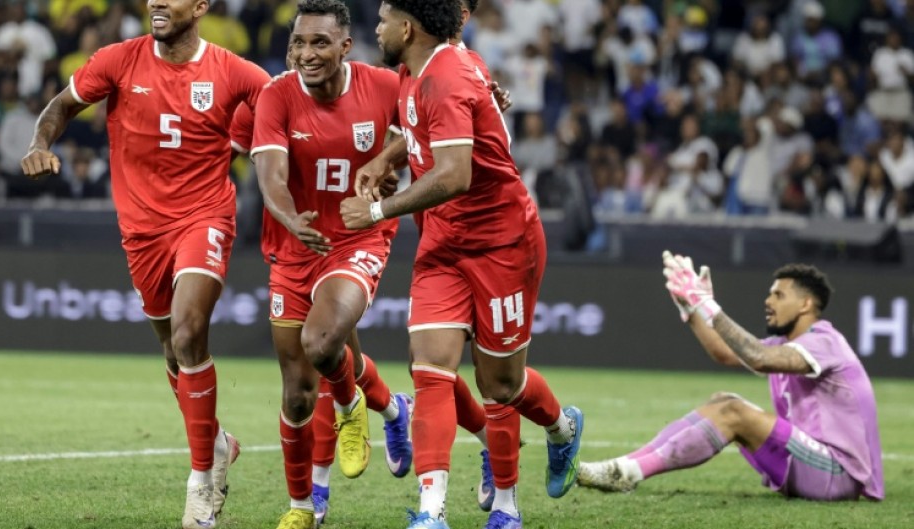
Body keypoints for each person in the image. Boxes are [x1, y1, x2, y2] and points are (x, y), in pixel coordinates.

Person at [19, 0, 271, 526]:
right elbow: (60, 106)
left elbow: (288, 107)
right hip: (142, 231)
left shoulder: (235, 71)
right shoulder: (117, 60)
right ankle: (217, 444)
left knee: (188, 331)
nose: (156, 1)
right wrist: (39, 142)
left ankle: (200, 481)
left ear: (200, 7)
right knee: (174, 352)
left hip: (205, 215)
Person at [341, 2, 584, 528]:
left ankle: (559, 433)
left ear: (408, 28)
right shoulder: (419, 68)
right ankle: (432, 513)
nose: (377, 28)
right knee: (430, 369)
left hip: (503, 244)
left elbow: (455, 174)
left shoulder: (447, 76)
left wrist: (377, 211)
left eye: (384, 19)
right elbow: (420, 130)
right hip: (443, 243)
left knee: (500, 386)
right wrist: (385, 158)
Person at [236, 2, 413, 527]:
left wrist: (386, 159)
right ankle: (302, 505)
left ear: (345, 47)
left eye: (319, 43)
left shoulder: (384, 85)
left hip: (358, 237)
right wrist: (290, 219)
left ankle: (348, 406)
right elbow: (271, 175)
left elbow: (428, 126)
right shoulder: (277, 94)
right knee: (296, 394)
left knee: (321, 342)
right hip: (297, 243)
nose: (306, 54)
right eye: (298, 43)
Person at [578, 252, 884, 503]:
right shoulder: (786, 343)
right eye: (770, 293)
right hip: (811, 465)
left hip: (840, 474)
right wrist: (692, 310)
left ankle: (628, 472)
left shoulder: (824, 341)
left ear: (805, 304)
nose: (768, 301)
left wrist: (707, 305)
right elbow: (726, 353)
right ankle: (624, 466)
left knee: (734, 412)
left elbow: (758, 357)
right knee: (722, 401)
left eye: (779, 295)